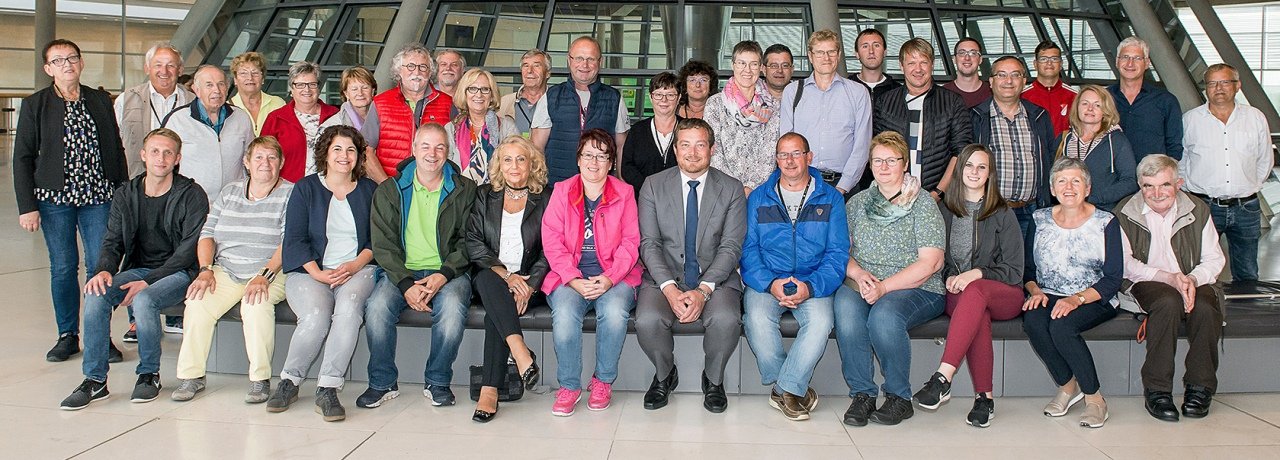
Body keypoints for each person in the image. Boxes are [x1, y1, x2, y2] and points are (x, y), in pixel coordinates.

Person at [59, 128, 208, 410]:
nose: (160, 159)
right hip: (138, 268)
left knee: (145, 298)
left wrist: (149, 281)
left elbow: (189, 250)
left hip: (178, 273)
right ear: (143, 155)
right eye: (154, 151)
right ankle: (95, 380)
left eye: (167, 153)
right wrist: (104, 269)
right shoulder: (126, 193)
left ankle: (149, 374)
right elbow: (112, 239)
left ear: (177, 158)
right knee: (95, 293)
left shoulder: (191, 194)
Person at [15, 38, 129, 363]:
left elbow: (115, 147)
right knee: (64, 266)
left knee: (100, 266)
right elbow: (22, 158)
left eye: (72, 58)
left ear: (81, 63)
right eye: (59, 60)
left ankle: (99, 336)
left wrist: (122, 191)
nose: (67, 64)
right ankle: (67, 335)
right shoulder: (35, 105)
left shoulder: (99, 100)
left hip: (98, 198)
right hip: (54, 201)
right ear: (48, 68)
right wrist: (27, 207)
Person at [360, 123, 478, 409]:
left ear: (447, 152)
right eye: (425, 146)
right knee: (376, 309)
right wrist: (404, 285)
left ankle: (437, 380)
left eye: (439, 147)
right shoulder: (390, 190)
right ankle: (382, 381)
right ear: (413, 149)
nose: (432, 153)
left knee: (451, 312)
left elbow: (468, 240)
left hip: (450, 272)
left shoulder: (465, 189)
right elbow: (383, 244)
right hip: (403, 272)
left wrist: (443, 274)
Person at [268, 125, 379, 422]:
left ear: (359, 157)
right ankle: (290, 381)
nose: (344, 156)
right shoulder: (306, 188)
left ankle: (328, 387)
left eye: (351, 150)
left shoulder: (370, 190)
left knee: (349, 311)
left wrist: (354, 265)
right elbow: (294, 239)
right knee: (316, 316)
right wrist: (318, 273)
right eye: (337, 149)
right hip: (310, 270)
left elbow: (376, 242)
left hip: (358, 269)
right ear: (325, 154)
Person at [171, 136, 293, 404]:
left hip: (270, 271)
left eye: (272, 157)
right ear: (247, 162)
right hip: (226, 269)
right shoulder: (229, 191)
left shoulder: (290, 193)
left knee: (255, 305)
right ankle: (192, 376)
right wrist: (205, 269)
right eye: (259, 157)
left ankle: (260, 380)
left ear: (281, 163)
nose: (265, 163)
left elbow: (288, 242)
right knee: (198, 300)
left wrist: (265, 275)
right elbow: (207, 234)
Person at [835, 131, 946, 427]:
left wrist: (884, 287)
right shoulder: (857, 204)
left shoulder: (922, 203)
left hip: (917, 287)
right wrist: (859, 275)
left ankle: (899, 397)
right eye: (877, 161)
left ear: (905, 164)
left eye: (891, 160)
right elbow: (839, 251)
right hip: (863, 281)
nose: (883, 166)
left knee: (884, 316)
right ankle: (862, 395)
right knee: (846, 311)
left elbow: (931, 262)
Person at [636, 118, 746, 413]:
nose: (693, 152)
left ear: (712, 149)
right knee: (647, 320)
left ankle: (713, 379)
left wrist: (703, 290)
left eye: (700, 145)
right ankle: (664, 375)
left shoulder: (732, 188)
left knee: (725, 320)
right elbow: (649, 243)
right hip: (663, 278)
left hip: (716, 279)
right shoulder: (653, 186)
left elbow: (731, 246)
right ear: (675, 149)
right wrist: (670, 289)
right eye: (685, 144)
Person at [910, 144, 1024, 428]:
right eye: (969, 165)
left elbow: (1014, 270)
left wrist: (976, 273)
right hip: (961, 295)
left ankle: (942, 377)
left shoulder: (1002, 212)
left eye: (982, 167)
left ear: (990, 174)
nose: (974, 172)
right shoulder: (945, 210)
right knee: (977, 315)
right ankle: (984, 399)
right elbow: (937, 256)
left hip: (1003, 293)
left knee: (976, 292)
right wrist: (949, 273)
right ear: (960, 170)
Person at [741, 132, 848, 422]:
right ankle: (791, 387)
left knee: (822, 322)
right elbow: (748, 249)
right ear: (776, 159)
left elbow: (837, 253)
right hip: (768, 282)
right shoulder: (759, 197)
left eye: (796, 153)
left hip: (813, 281)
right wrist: (769, 283)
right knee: (756, 320)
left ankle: (784, 387)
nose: (789, 160)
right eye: (783, 154)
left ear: (809, 157)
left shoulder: (831, 199)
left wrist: (811, 287)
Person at [1115, 154, 1225, 421]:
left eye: (1164, 184)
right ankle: (1157, 390)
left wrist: (1191, 280)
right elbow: (1126, 264)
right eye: (1147, 186)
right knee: (1167, 303)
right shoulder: (1124, 211)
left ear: (1178, 183)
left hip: (1192, 277)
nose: (1156, 193)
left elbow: (1214, 258)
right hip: (1146, 280)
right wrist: (1169, 277)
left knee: (1206, 308)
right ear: (1139, 186)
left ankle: (1200, 388)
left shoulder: (1198, 210)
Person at [541, 129, 642, 417]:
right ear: (578, 159)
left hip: (615, 276)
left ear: (611, 162)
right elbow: (552, 240)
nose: (594, 162)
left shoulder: (624, 193)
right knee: (564, 313)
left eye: (602, 156)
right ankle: (569, 386)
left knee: (613, 313)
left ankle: (603, 381)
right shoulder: (562, 191)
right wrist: (572, 278)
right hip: (569, 276)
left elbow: (631, 242)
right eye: (588, 155)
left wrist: (609, 278)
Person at [1022, 158, 1122, 429]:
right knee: (1033, 320)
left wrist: (1076, 299)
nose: (1069, 187)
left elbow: (1113, 279)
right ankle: (1068, 386)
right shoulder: (1039, 219)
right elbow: (1028, 272)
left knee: (1062, 326)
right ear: (1053, 189)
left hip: (1094, 296)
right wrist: (1034, 291)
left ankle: (1095, 399)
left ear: (1087, 188)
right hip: (1049, 293)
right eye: (1062, 181)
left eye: (1076, 181)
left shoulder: (1106, 222)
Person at [465, 137, 550, 422]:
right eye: (507, 159)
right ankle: (520, 351)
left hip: (530, 281)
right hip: (492, 274)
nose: (514, 166)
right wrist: (507, 275)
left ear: (532, 164)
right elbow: (474, 243)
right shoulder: (484, 194)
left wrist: (528, 283)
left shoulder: (546, 197)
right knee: (492, 285)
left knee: (496, 311)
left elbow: (552, 248)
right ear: (499, 165)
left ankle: (490, 390)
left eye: (521, 159)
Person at [1181, 63, 1273, 283]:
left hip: (1246, 207)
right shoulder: (1190, 120)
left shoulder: (1255, 118)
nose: (1218, 88)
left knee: (1247, 271)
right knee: (1197, 268)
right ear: (1206, 89)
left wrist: (1246, 186)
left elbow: (1265, 160)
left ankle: (1248, 314)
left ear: (1237, 86)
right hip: (1203, 207)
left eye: (1225, 82)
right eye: (1212, 83)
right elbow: (1181, 162)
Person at [780, 29, 873, 196]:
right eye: (820, 52)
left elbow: (862, 146)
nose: (826, 58)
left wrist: (842, 188)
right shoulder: (792, 92)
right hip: (802, 184)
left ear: (838, 55)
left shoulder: (858, 93)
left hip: (846, 187)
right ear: (810, 56)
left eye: (831, 52)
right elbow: (786, 144)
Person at [971, 56, 1056, 236]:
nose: (1008, 81)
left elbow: (1050, 157)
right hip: (990, 210)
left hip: (1032, 210)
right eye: (1002, 75)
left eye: (1015, 75)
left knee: (1028, 263)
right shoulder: (975, 117)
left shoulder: (1039, 116)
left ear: (1024, 81)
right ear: (991, 82)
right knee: (990, 263)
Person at [873, 38, 970, 195]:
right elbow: (877, 151)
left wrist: (939, 193)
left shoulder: (952, 102)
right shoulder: (885, 102)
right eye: (911, 63)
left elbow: (960, 151)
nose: (918, 69)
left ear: (932, 65)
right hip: (894, 195)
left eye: (923, 62)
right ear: (901, 66)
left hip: (940, 197)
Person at [531, 36, 631, 184]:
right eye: (579, 58)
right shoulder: (551, 97)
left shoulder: (614, 98)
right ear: (569, 60)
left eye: (591, 59)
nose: (584, 65)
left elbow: (622, 146)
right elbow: (536, 146)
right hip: (556, 187)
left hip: (600, 189)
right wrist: (537, 183)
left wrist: (621, 180)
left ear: (600, 62)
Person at [164, 65, 254, 208]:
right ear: (197, 90)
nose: (216, 90)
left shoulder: (241, 118)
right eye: (209, 85)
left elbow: (251, 159)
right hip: (191, 204)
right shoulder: (177, 120)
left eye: (221, 84)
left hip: (233, 203)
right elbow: (165, 164)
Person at [362, 43, 453, 182]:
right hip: (389, 187)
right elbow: (366, 152)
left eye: (423, 67)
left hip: (436, 191)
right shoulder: (381, 103)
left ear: (430, 72)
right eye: (410, 66)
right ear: (399, 71)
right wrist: (388, 189)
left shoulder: (448, 104)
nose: (416, 72)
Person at [705, 40, 781, 193]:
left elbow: (770, 152)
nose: (747, 70)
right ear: (733, 65)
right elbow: (713, 149)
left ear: (760, 68)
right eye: (741, 63)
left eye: (753, 64)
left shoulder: (773, 106)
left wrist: (751, 187)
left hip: (761, 189)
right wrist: (734, 188)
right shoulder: (715, 104)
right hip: (722, 188)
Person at [1053, 85, 1138, 212]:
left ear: (1105, 111)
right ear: (1077, 107)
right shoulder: (1064, 139)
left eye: (1097, 105)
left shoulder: (1116, 140)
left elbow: (1130, 181)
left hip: (1102, 213)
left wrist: (1094, 198)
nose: (1090, 109)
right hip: (1068, 214)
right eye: (1085, 103)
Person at [115, 42, 194, 177]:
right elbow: (114, 145)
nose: (164, 71)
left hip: (183, 185)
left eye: (171, 65)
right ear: (147, 68)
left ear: (180, 70)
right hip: (138, 183)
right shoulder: (125, 100)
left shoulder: (193, 102)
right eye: (158, 65)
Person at [1107, 37, 1183, 161]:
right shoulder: (1103, 98)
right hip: (1111, 178)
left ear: (1147, 63)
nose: (1130, 63)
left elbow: (1174, 147)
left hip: (1151, 177)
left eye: (1137, 58)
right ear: (1117, 61)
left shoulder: (1166, 101)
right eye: (1125, 57)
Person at [262, 61, 339, 183]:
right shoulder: (276, 118)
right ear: (291, 89)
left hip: (330, 189)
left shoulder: (335, 116)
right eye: (300, 85)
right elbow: (264, 157)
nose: (307, 89)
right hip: (288, 189)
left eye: (312, 84)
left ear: (318, 88)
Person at [445, 68, 518, 183]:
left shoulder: (507, 126)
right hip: (459, 195)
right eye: (472, 89)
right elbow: (445, 169)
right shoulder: (451, 128)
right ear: (464, 93)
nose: (479, 94)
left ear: (492, 95)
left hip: (497, 194)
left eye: (485, 89)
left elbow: (515, 165)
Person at [620, 72, 681, 193]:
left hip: (680, 198)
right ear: (650, 97)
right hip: (644, 199)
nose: (664, 100)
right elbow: (627, 167)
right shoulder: (637, 131)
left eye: (670, 95)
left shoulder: (689, 129)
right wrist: (649, 189)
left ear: (678, 98)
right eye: (658, 94)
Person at [1022, 41, 1078, 136]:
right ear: (1035, 64)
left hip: (1064, 150)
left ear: (1060, 64)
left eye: (1054, 59)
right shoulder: (1022, 97)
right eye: (1043, 59)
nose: (1049, 63)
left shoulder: (1075, 97)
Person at [228, 51, 286, 135]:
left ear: (262, 79)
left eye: (255, 73)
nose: (250, 78)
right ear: (235, 80)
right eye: (243, 73)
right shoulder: (227, 109)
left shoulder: (278, 104)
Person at [498, 49, 551, 137]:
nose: (530, 70)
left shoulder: (558, 103)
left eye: (536, 66)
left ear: (548, 73)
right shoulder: (503, 103)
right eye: (525, 66)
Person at [320, 65, 377, 131]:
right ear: (346, 94)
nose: (360, 93)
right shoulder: (331, 126)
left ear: (372, 91)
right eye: (354, 89)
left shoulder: (383, 117)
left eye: (365, 88)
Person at [851, 29, 902, 100]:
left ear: (885, 52)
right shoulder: (846, 89)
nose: (871, 51)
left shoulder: (898, 92)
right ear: (857, 54)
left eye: (876, 45)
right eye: (865, 46)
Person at [942, 38, 991, 108]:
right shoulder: (942, 94)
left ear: (980, 60)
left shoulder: (993, 93)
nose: (967, 58)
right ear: (954, 59)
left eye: (973, 53)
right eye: (962, 53)